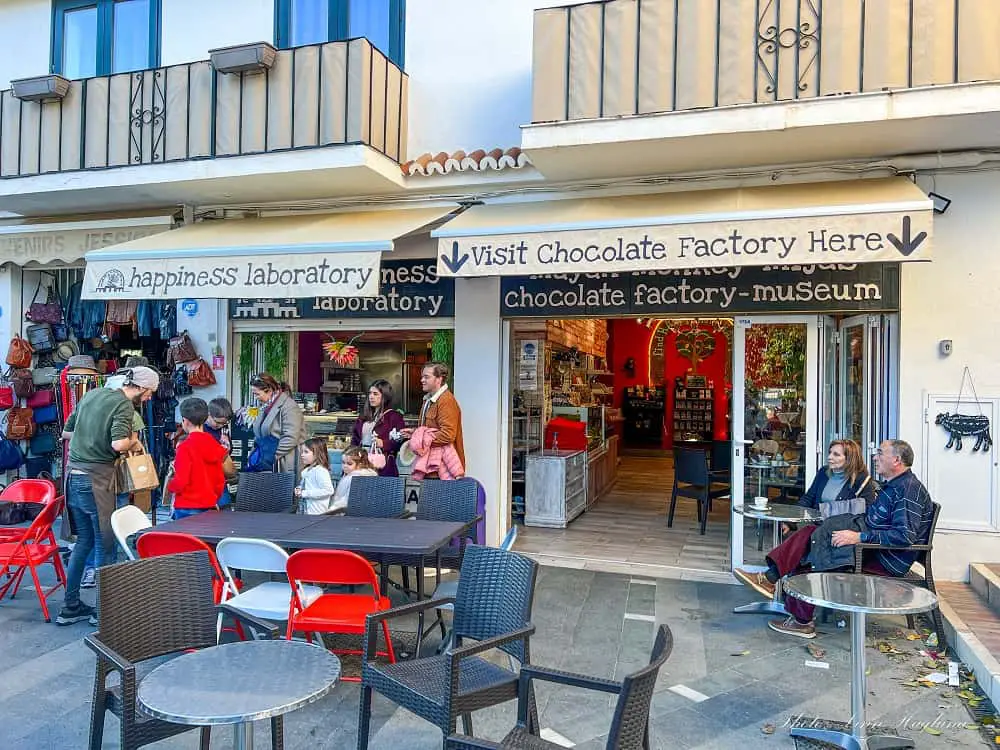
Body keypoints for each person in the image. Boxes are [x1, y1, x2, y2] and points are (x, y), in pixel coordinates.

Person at [736, 439, 934, 639]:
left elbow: (904, 536)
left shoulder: (907, 490)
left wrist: (858, 537)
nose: (875, 457)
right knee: (812, 538)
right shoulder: (894, 486)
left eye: (880, 453)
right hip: (871, 548)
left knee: (815, 554)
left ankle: (795, 612)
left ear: (896, 460)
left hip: (882, 557)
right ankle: (777, 590)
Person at [56, 366, 160, 626]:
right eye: (150, 394)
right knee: (106, 544)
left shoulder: (92, 395)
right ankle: (105, 612)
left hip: (73, 477)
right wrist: (133, 443)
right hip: (97, 480)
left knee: (84, 543)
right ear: (142, 388)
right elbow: (117, 444)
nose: (148, 399)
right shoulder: (124, 406)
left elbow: (67, 433)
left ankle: (70, 606)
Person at [778, 439, 879, 535]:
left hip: (842, 533)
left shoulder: (862, 480)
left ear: (849, 459)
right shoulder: (824, 472)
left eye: (836, 454)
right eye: (830, 452)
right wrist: (790, 522)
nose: (829, 457)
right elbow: (808, 498)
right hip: (818, 528)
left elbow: (868, 513)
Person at [167, 398, 228, 520]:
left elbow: (181, 481)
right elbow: (219, 480)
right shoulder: (214, 445)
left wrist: (170, 486)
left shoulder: (185, 447)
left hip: (186, 505)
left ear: (186, 421)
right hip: (209, 503)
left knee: (185, 538)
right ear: (205, 418)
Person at [401, 362, 465, 476]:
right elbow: (429, 430)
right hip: (431, 469)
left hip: (442, 470)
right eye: (422, 377)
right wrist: (415, 433)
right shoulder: (428, 399)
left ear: (439, 379)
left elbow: (448, 434)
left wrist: (420, 439)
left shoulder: (446, 401)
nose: (422, 380)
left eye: (426, 377)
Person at [250, 373, 305, 474]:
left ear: (269, 390)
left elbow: (291, 438)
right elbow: (258, 435)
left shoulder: (289, 407)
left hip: (284, 462)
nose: (256, 398)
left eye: (257, 394)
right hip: (266, 462)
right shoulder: (265, 405)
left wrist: (269, 456)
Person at [351, 379, 406, 477]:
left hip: (381, 466)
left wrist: (383, 443)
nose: (371, 396)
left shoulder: (394, 416)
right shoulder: (363, 416)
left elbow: (400, 442)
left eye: (375, 394)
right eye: (370, 393)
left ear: (385, 396)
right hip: (360, 463)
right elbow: (355, 440)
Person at [206, 397, 235, 508]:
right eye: (218, 422)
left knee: (225, 506)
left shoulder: (223, 430)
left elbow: (228, 451)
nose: (220, 426)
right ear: (208, 415)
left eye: (224, 423)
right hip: (206, 478)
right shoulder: (201, 429)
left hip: (220, 477)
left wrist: (228, 447)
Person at [330, 446, 378, 512]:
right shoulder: (350, 475)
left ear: (360, 464)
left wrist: (332, 509)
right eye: (343, 462)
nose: (345, 466)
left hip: (352, 513)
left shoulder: (358, 478)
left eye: (349, 464)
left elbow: (347, 500)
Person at [296, 438, 335, 514]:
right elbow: (307, 486)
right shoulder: (307, 470)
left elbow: (329, 490)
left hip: (316, 513)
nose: (302, 455)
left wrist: (305, 493)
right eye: (302, 452)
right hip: (305, 510)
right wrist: (299, 489)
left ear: (317, 453)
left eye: (306, 452)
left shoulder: (320, 471)